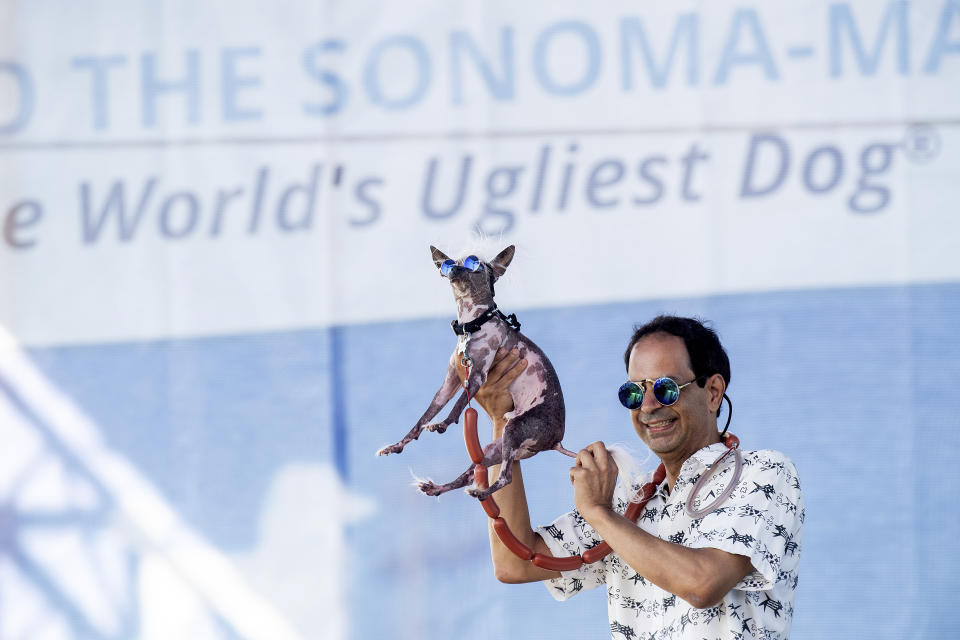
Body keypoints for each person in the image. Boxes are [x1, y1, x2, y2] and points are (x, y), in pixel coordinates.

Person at [471, 315, 803, 639]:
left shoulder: (765, 472)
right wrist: (504, 423)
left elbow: (703, 585)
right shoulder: (628, 500)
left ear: (713, 391)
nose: (647, 406)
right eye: (633, 393)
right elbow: (514, 563)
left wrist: (599, 514)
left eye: (665, 389)